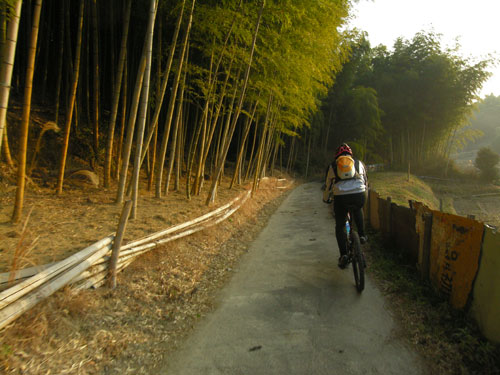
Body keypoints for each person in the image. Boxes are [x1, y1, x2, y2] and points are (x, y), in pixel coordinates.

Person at [323, 143, 368, 269]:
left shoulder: (333, 166)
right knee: (358, 209)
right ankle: (362, 235)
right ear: (351, 155)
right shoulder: (359, 164)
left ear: (336, 155)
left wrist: (326, 199)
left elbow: (328, 186)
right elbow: (365, 182)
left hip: (341, 198)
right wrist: (364, 196)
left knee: (340, 225)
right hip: (359, 194)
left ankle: (343, 255)